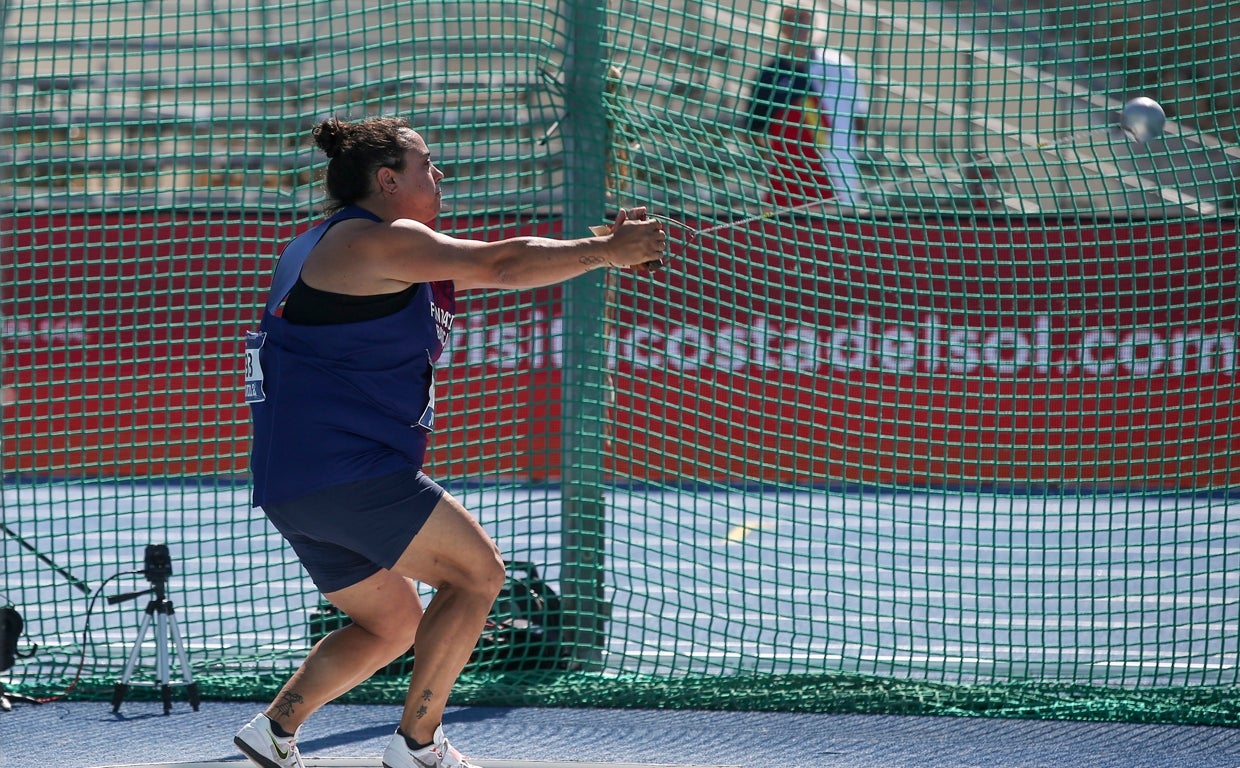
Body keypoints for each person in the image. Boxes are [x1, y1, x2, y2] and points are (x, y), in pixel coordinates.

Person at [234, 115, 667, 768]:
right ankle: (417, 745)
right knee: (477, 573)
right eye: (425, 165)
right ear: (387, 181)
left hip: (293, 484)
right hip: (347, 470)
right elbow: (500, 263)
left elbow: (501, 266)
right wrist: (607, 252)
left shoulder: (339, 247)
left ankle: (274, 729)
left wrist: (603, 245)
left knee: (393, 625)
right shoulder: (376, 242)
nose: (439, 174)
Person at [746, 2, 870, 209]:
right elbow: (754, 129)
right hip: (786, 182)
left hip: (838, 177)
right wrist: (782, 159)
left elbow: (859, 122)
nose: (797, 24)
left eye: (803, 18)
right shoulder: (769, 75)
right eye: (790, 18)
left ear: (815, 22)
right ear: (779, 25)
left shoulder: (840, 67)